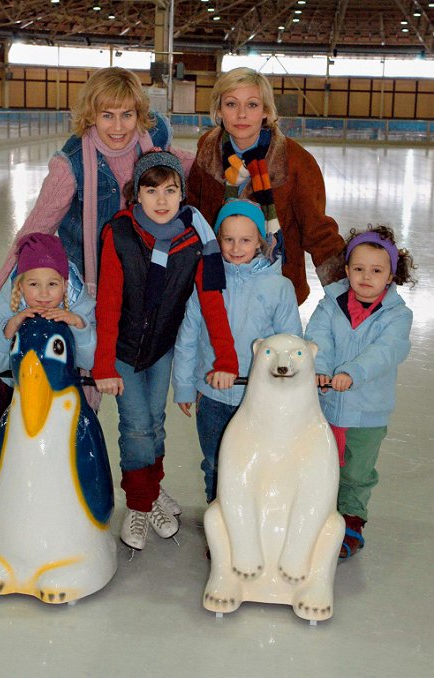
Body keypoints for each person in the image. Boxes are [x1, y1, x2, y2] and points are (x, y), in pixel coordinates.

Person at [0, 67, 193, 411]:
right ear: (91, 115)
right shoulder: (70, 165)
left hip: (139, 289)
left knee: (140, 416)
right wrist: (0, 289)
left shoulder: (153, 148)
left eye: (127, 114)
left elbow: (192, 167)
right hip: (87, 288)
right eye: (107, 115)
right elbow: (35, 229)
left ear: (139, 115)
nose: (118, 127)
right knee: (81, 393)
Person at [93, 150, 239, 551]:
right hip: (122, 350)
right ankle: (139, 506)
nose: (161, 199)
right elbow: (106, 304)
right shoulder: (119, 233)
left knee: (154, 424)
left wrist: (227, 357)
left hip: (160, 350)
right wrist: (103, 363)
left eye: (170, 190)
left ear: (182, 195)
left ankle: (151, 489)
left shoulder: (195, 239)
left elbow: (211, 300)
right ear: (135, 195)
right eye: (151, 189)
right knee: (137, 427)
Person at [172, 198, 303, 504]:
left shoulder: (279, 288)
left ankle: (253, 515)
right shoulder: (206, 281)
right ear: (218, 240)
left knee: (257, 461)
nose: (235, 247)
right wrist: (184, 387)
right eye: (228, 239)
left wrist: (287, 391)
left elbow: (291, 343)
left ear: (260, 240)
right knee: (215, 462)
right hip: (212, 395)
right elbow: (188, 336)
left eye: (245, 239)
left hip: (259, 396)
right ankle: (219, 519)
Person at [187, 66, 345, 306]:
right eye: (231, 104)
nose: (241, 114)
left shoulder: (294, 160)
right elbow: (193, 219)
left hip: (277, 290)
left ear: (266, 111)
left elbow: (318, 232)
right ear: (219, 109)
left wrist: (347, 294)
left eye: (252, 105)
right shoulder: (206, 154)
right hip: (217, 287)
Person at [304, 225, 416, 560]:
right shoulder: (330, 304)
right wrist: (320, 367)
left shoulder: (398, 316)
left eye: (376, 271)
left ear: (391, 275)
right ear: (347, 269)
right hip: (324, 406)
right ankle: (318, 518)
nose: (366, 277)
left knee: (356, 472)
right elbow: (318, 336)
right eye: (358, 269)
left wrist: (352, 372)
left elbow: (386, 352)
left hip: (367, 413)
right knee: (321, 465)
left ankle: (352, 521)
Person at [0, 233, 96, 414]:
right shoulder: (5, 304)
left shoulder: (79, 305)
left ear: (65, 286)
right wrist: (9, 328)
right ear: (21, 285)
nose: (44, 294)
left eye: (52, 284)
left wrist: (78, 325)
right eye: (34, 284)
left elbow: (88, 362)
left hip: (64, 394)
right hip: (19, 393)